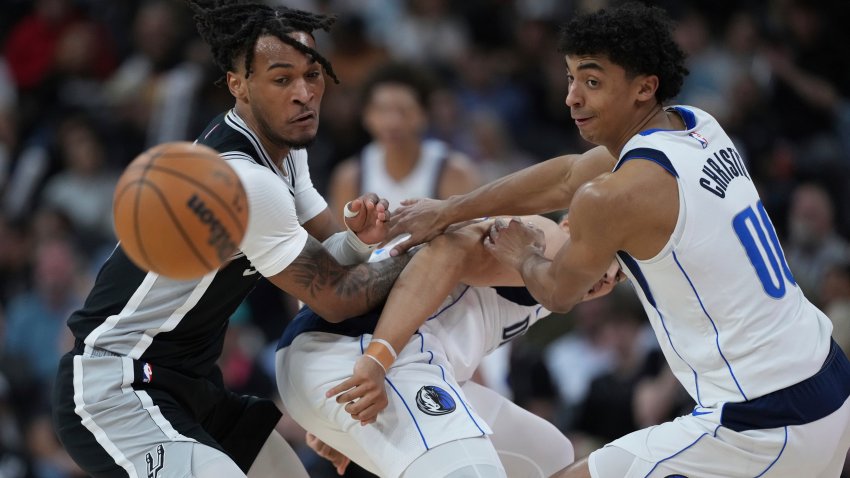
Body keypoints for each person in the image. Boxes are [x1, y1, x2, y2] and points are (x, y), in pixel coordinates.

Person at [387, 4, 850, 477]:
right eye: (569, 78)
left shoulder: (617, 195)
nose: (571, 97)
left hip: (764, 417)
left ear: (644, 86)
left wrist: (522, 252)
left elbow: (558, 292)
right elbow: (566, 176)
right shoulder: (696, 124)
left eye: (591, 81)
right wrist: (448, 209)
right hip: (825, 372)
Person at [51, 3, 411, 477]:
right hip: (116, 385)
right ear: (238, 85)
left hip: (190, 383)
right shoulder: (242, 181)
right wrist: (419, 251)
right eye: (282, 80)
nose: (304, 94)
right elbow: (338, 297)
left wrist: (365, 242)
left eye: (313, 74)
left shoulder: (283, 152)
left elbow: (330, 259)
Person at [276, 215, 620, 478]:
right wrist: (376, 359)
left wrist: (327, 421)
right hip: (362, 352)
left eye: (619, 277)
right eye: (608, 256)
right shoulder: (547, 237)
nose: (607, 277)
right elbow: (445, 252)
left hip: (330, 356)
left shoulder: (554, 289)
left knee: (548, 457)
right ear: (571, 224)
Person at [328, 61, 479, 224]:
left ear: (424, 114)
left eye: (403, 110)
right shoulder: (350, 177)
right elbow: (343, 245)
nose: (393, 122)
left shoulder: (453, 171)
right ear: (366, 116)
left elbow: (466, 239)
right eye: (382, 110)